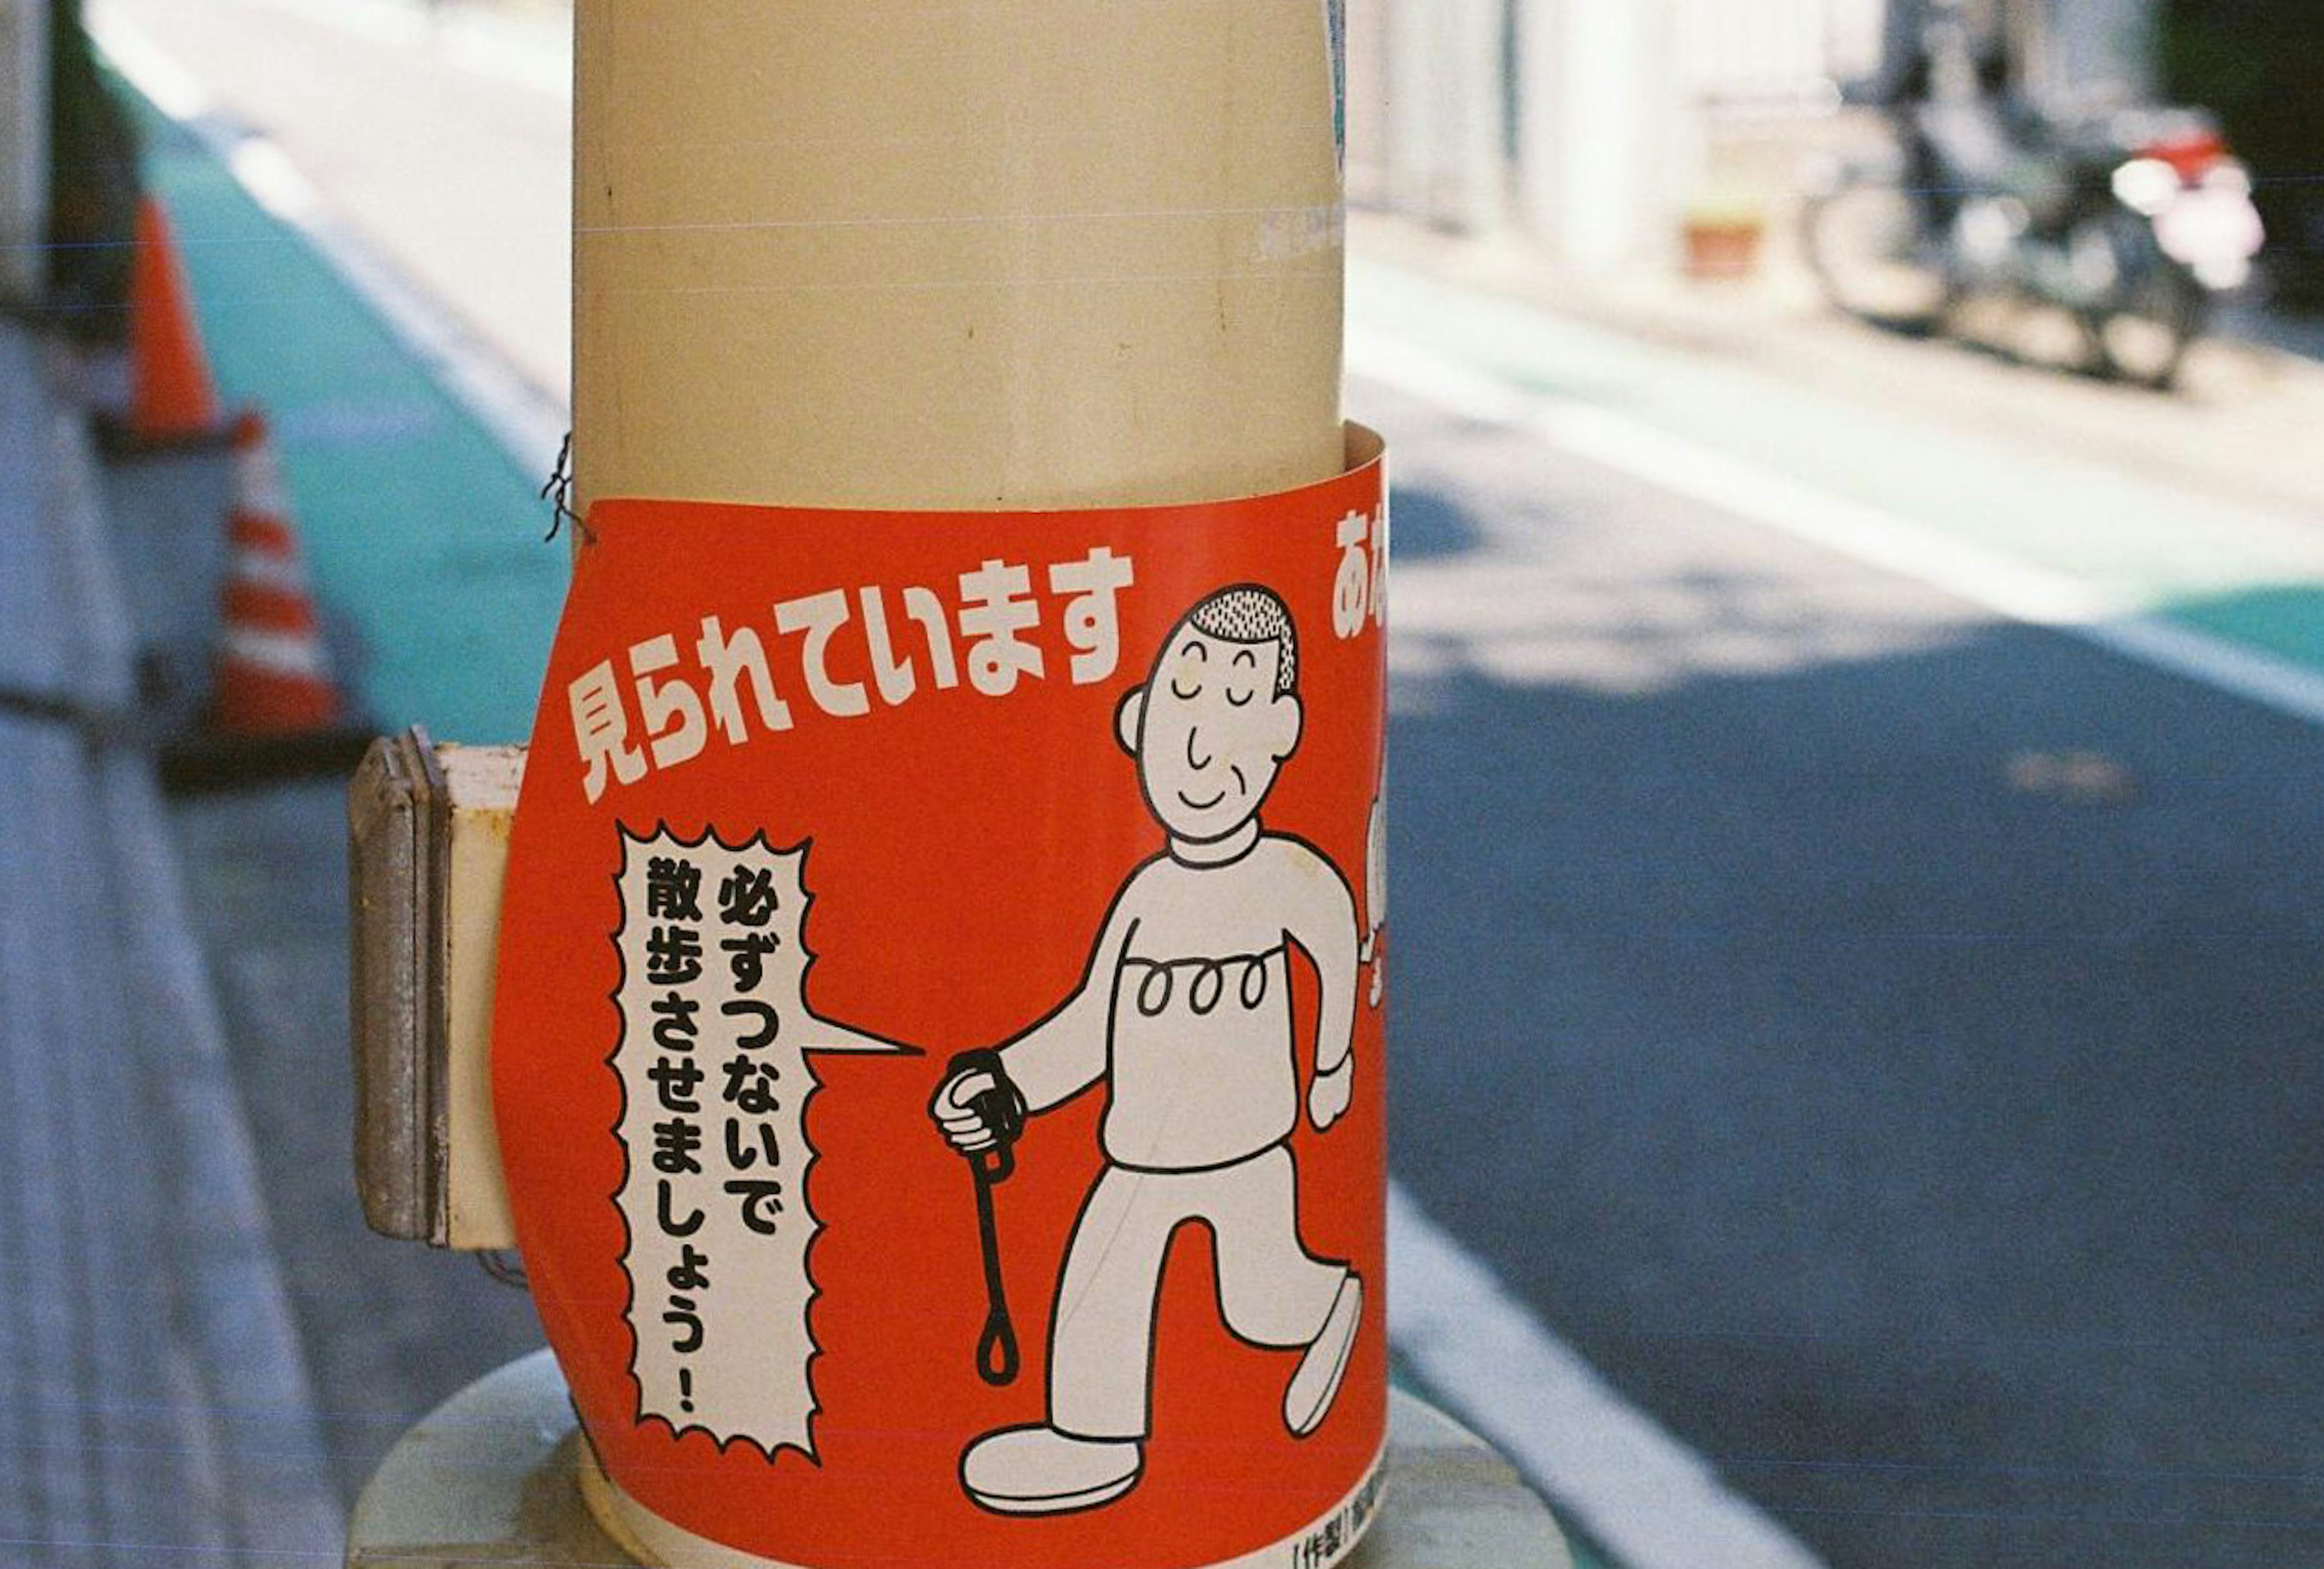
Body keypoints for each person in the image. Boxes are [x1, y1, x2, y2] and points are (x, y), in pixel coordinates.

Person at [930, 583, 1364, 1516]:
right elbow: (1093, 1028)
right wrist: (1003, 1086)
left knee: (1262, 1302)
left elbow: (1333, 933)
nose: (1203, 746)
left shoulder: (1284, 875)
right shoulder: (1142, 900)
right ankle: (1092, 1441)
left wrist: (1332, 1062)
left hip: (1251, 1147)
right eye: (1184, 702)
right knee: (1100, 1280)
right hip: (1141, 1153)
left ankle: (1326, 1305)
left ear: (1283, 730)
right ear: (1137, 720)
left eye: (1237, 708)